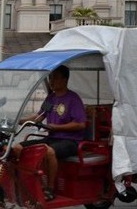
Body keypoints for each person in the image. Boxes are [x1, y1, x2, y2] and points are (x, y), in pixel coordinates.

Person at [13, 65, 87, 201]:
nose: (52, 81)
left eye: (55, 78)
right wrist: (19, 120)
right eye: (50, 78)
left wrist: (57, 127)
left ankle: (50, 188)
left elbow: (80, 124)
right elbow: (39, 117)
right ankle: (27, 183)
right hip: (52, 138)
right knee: (18, 148)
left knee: (48, 151)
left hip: (71, 142)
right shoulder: (51, 99)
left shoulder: (73, 99)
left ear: (65, 80)